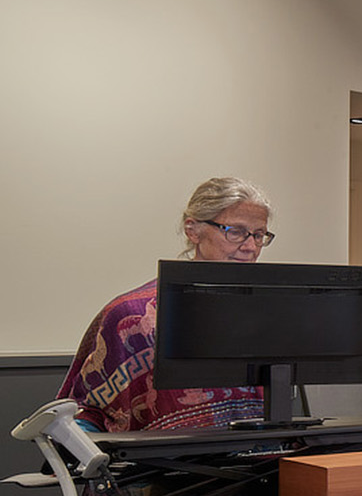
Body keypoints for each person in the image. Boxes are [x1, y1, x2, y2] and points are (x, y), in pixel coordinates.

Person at [58, 177, 276, 433]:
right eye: (236, 232)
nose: (250, 246)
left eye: (259, 235)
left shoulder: (267, 314)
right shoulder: (131, 314)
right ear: (193, 230)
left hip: (259, 462)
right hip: (157, 466)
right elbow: (87, 412)